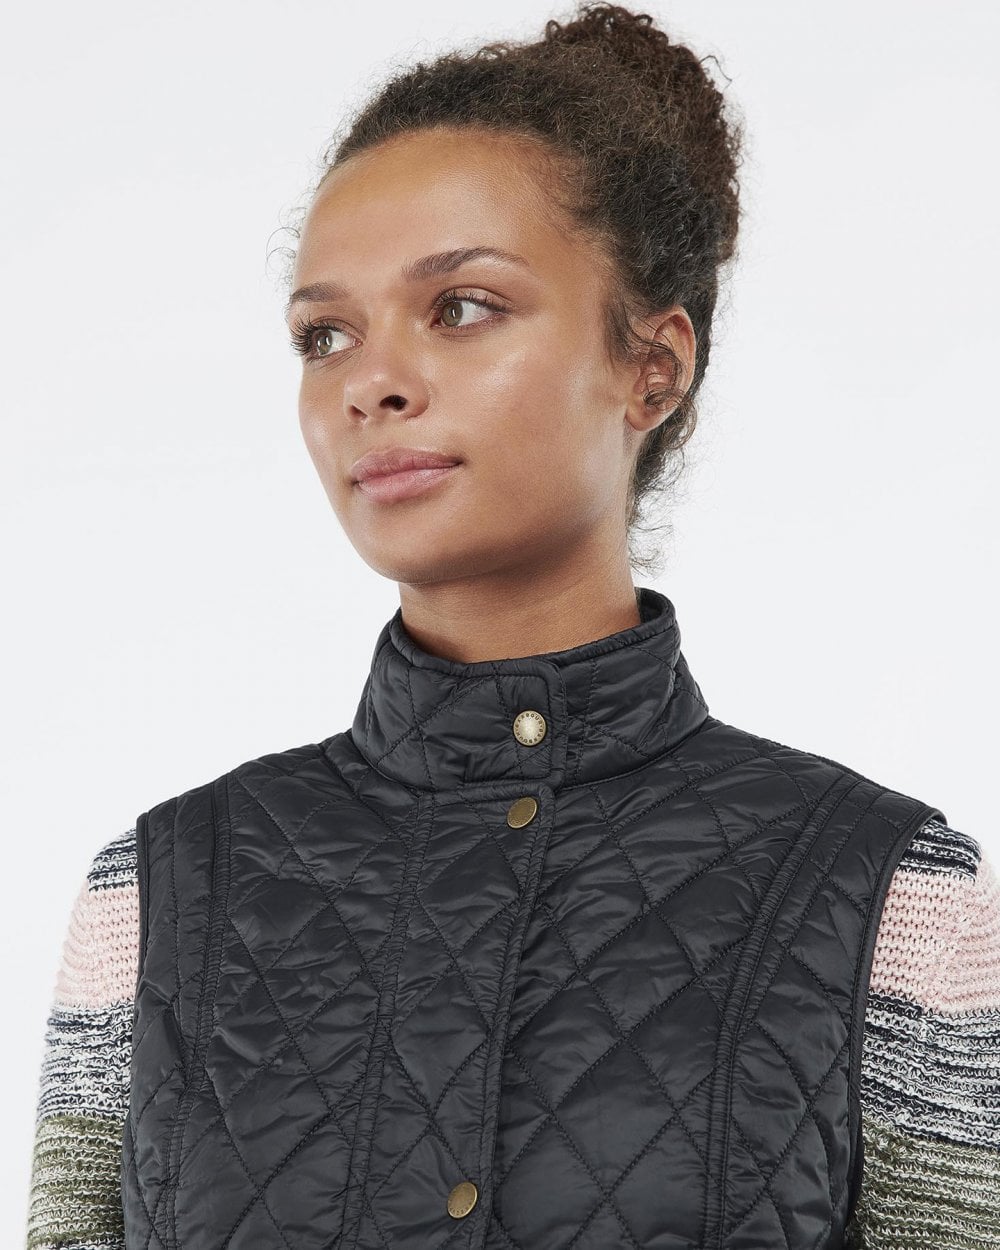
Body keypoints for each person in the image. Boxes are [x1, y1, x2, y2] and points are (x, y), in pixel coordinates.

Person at [24, 4, 1000, 1248]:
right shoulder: (159, 890)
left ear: (651, 366)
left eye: (462, 306)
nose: (370, 381)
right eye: (325, 334)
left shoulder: (891, 894)